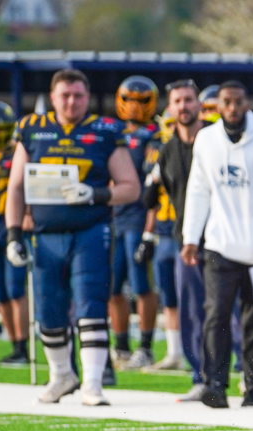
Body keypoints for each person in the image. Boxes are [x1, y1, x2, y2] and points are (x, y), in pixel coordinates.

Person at [5, 69, 141, 405]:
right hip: (46, 233)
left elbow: (131, 188)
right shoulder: (32, 128)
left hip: (90, 230)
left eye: (78, 95)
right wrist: (12, 235)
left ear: (87, 96)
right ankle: (61, 375)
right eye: (65, 95)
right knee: (49, 308)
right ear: (52, 98)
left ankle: (93, 383)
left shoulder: (105, 131)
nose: (71, 101)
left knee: (91, 302)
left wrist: (94, 194)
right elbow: (16, 187)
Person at [181, 80, 253, 409]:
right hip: (220, 244)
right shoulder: (206, 140)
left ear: (248, 104)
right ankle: (214, 384)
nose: (232, 108)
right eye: (226, 102)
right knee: (215, 315)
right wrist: (191, 237)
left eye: (238, 101)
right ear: (217, 106)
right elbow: (198, 190)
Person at [147, 80, 211, 402]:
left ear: (199, 103)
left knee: (226, 309)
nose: (184, 106)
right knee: (190, 309)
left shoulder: (217, 139)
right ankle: (200, 376)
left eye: (188, 100)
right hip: (184, 239)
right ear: (170, 108)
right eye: (177, 102)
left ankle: (236, 372)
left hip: (220, 238)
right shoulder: (167, 150)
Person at [110, 76, 162, 370]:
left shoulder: (155, 136)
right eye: (129, 99)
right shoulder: (113, 132)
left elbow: (153, 187)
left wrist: (149, 232)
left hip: (140, 218)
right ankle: (120, 347)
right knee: (112, 287)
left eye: (142, 101)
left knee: (142, 286)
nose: (134, 107)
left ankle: (145, 346)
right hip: (114, 218)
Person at [0, 101, 29, 363]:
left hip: (13, 230)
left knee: (16, 290)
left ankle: (23, 346)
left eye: (2, 129)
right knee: (0, 292)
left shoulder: (17, 153)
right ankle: (14, 345)